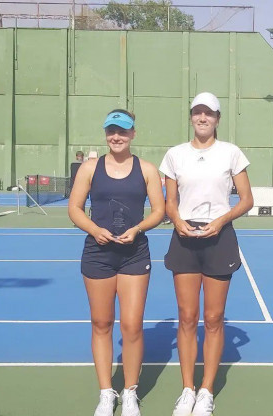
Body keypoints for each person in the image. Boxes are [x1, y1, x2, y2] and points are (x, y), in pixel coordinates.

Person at [159, 92, 254, 416]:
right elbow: (170, 202)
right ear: (191, 116)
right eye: (197, 112)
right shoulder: (175, 155)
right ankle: (187, 389)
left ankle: (206, 391)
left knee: (213, 318)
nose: (203, 118)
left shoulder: (231, 153)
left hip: (219, 237)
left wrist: (221, 221)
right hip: (184, 238)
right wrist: (178, 221)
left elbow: (246, 199)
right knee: (187, 317)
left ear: (217, 118)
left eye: (209, 113)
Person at [68, 109, 165, 416]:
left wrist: (137, 229)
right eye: (112, 131)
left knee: (132, 326)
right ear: (106, 134)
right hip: (98, 255)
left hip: (134, 255)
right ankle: (106, 393)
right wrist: (94, 230)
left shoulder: (147, 169)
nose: (117, 136)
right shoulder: (90, 168)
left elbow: (159, 211)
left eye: (123, 131)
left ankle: (130, 392)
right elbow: (74, 208)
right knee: (101, 323)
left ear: (133, 134)